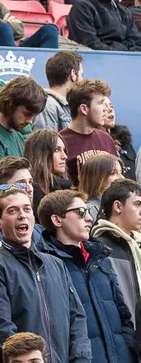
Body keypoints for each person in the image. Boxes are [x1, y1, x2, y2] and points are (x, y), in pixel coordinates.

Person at [0, 188, 91, 361]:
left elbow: (77, 318)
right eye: (13, 211)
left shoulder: (56, 264)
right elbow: (0, 329)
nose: (22, 215)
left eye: (27, 209)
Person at [37, 189, 136, 363]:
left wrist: (128, 350)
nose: (89, 218)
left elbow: (123, 314)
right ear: (57, 219)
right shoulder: (45, 265)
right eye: (81, 212)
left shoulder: (100, 257)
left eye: (89, 212)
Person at [92, 179, 141, 325]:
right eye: (137, 204)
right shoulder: (100, 248)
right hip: (126, 336)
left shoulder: (137, 244)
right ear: (118, 206)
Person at [0, 75, 47, 166]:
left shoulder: (18, 136)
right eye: (27, 114)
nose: (30, 121)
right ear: (10, 104)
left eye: (33, 116)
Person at [60, 79, 117, 184]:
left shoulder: (106, 139)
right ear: (84, 109)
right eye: (100, 103)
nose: (105, 109)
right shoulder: (61, 142)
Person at [24, 129, 74, 215]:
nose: (64, 156)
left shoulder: (65, 185)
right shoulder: (31, 190)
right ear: (41, 154)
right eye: (57, 150)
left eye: (64, 150)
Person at [33, 51, 83, 132]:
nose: (82, 80)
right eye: (81, 75)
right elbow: (45, 143)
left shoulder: (67, 106)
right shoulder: (48, 106)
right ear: (73, 74)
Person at [78, 154, 125, 222]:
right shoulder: (89, 210)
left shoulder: (119, 206)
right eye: (113, 173)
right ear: (96, 178)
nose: (122, 178)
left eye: (121, 172)